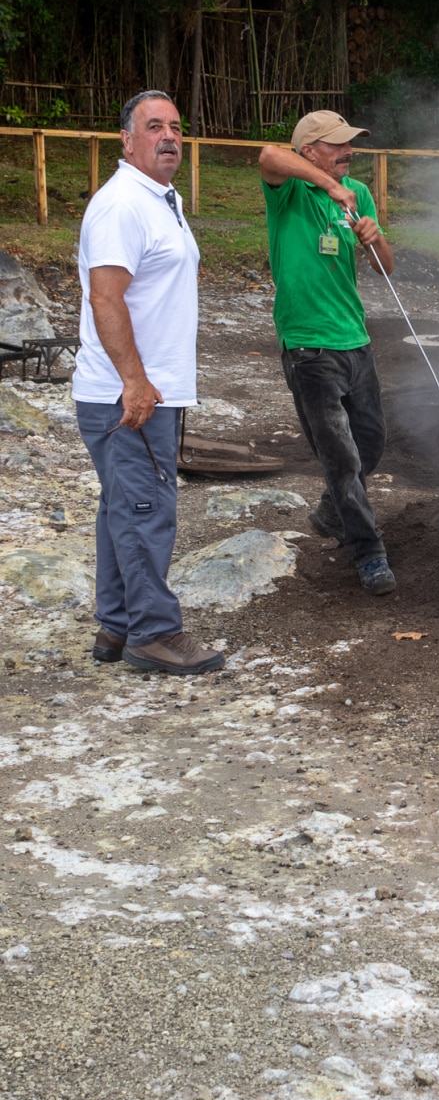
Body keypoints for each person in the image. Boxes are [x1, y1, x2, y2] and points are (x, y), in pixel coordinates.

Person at [73, 91, 223, 675]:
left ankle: (116, 626)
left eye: (176, 128)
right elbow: (105, 296)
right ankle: (155, 635)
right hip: (129, 394)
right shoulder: (121, 206)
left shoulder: (163, 199)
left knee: (122, 507)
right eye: (153, 127)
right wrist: (134, 381)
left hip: (149, 389)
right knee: (144, 509)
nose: (168, 137)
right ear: (127, 140)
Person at [258, 111, 398, 595]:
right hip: (308, 345)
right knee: (340, 457)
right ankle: (368, 552)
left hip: (354, 340)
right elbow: (268, 155)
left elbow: (386, 268)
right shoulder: (289, 190)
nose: (348, 153)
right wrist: (330, 188)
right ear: (310, 152)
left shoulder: (358, 193)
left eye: (349, 144)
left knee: (371, 444)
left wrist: (374, 237)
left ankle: (328, 512)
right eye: (336, 145)